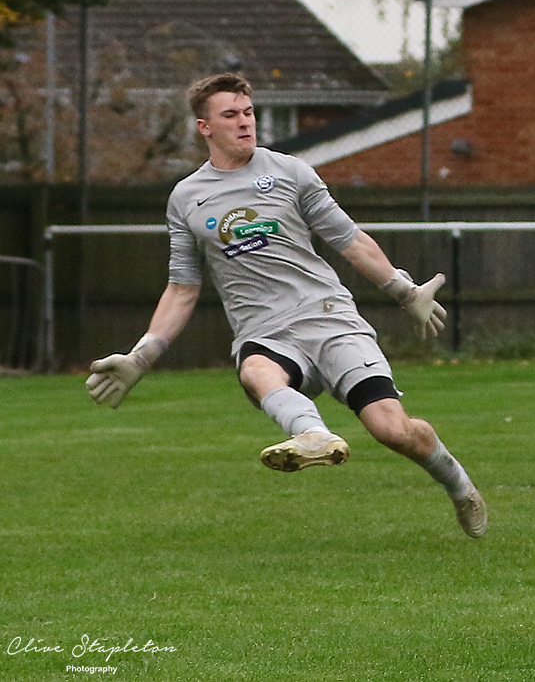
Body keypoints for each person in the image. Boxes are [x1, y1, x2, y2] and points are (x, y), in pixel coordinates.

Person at [85, 72, 487, 539]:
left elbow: (350, 240)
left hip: (329, 317)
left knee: (393, 431)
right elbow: (182, 289)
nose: (244, 123)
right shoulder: (186, 198)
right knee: (256, 371)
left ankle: (461, 488)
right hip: (266, 333)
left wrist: (404, 291)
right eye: (230, 115)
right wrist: (142, 355)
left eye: (249, 112)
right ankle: (313, 435)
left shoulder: (290, 172)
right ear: (204, 127)